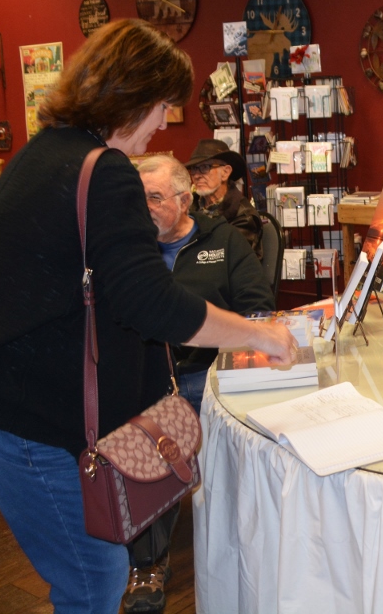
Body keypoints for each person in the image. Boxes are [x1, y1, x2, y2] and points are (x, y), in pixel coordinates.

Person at [0, 20, 297, 614]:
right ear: (133, 96)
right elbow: (150, 301)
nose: (163, 124)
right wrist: (263, 335)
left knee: (94, 569)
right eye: (161, 108)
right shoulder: (105, 171)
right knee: (93, 576)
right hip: (15, 413)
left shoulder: (40, 154)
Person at [122, 154, 274, 614]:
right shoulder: (126, 250)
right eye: (137, 197)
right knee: (142, 430)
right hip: (146, 377)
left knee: (163, 429)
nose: (143, 207)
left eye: (154, 197)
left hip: (207, 377)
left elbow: (258, 306)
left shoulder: (223, 240)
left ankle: (165, 557)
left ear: (185, 199)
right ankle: (145, 562)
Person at [184, 138, 263, 260]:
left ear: (225, 172)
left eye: (205, 167)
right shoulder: (188, 206)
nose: (197, 175)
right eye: (194, 168)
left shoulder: (243, 215)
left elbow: (227, 259)